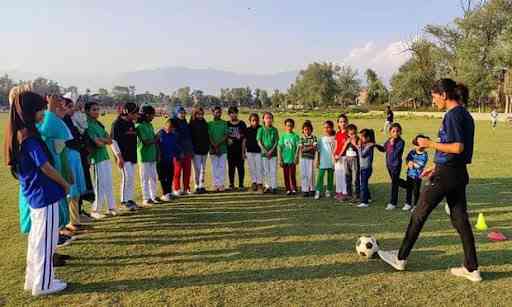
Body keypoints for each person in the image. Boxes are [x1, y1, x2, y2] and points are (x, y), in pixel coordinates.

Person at [378, 79, 481, 282]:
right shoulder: (465, 114)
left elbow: (457, 147)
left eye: (434, 97)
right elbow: (455, 149)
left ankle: (400, 258)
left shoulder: (453, 115)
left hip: (447, 175)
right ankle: (472, 268)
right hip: (457, 173)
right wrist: (436, 165)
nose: (434, 102)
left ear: (443, 95)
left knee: (418, 213)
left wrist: (429, 144)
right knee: (460, 219)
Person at [6, 92, 70, 296]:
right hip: (44, 194)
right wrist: (64, 183)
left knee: (37, 239)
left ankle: (34, 278)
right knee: (46, 240)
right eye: (40, 109)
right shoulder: (29, 138)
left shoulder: (18, 134)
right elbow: (45, 167)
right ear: (30, 111)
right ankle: (44, 284)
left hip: (35, 194)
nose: (43, 113)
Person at [85, 101, 117, 219]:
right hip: (96, 158)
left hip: (105, 157)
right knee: (99, 185)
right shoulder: (87, 125)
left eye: (97, 109)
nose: (97, 112)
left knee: (108, 183)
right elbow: (98, 144)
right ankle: (95, 210)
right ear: (87, 111)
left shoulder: (98, 124)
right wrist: (102, 141)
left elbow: (109, 140)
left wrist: (101, 140)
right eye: (94, 109)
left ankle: (111, 207)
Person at [62, 98, 88, 231]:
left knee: (76, 191)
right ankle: (69, 222)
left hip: (76, 155)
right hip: (69, 156)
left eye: (73, 106)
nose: (73, 109)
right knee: (71, 191)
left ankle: (75, 220)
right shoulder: (61, 122)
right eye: (69, 107)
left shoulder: (70, 120)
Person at [110, 102, 139, 211]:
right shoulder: (117, 124)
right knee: (127, 177)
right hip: (123, 156)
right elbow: (113, 142)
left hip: (131, 155)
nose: (137, 115)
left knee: (131, 178)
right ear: (128, 112)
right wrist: (119, 157)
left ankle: (130, 199)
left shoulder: (131, 123)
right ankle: (124, 201)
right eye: (135, 113)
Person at [376, 123, 406, 210]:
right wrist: (375, 145)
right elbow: (384, 149)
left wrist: (392, 145)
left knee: (394, 184)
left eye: (397, 131)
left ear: (400, 132)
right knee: (396, 181)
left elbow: (395, 153)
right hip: (388, 165)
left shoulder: (401, 142)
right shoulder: (389, 140)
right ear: (390, 132)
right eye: (393, 131)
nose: (396, 133)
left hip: (396, 165)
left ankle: (393, 203)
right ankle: (410, 186)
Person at [136, 105, 161, 206]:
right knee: (145, 178)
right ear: (146, 115)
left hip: (152, 154)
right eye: (152, 115)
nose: (153, 117)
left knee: (154, 177)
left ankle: (153, 196)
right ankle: (146, 198)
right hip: (144, 155)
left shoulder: (149, 125)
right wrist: (157, 137)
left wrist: (156, 137)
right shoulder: (139, 126)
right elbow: (146, 141)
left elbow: (152, 139)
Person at [402, 135, 429, 211]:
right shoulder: (412, 152)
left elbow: (420, 165)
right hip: (409, 174)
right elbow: (407, 159)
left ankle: (416, 205)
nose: (417, 147)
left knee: (416, 191)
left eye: (418, 145)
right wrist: (408, 163)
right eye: (416, 145)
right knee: (408, 189)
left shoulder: (424, 154)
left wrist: (412, 163)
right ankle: (408, 203)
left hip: (417, 176)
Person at [172, 106, 194, 195]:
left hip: (187, 151)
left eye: (183, 113)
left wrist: (191, 150)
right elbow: (173, 139)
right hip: (177, 151)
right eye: (180, 113)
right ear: (176, 113)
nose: (182, 114)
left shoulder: (185, 123)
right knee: (177, 172)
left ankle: (186, 188)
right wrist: (178, 151)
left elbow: (189, 138)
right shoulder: (173, 123)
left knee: (187, 171)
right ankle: (176, 189)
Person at [157, 119, 179, 201]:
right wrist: (158, 155)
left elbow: (175, 146)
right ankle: (165, 193)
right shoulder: (160, 133)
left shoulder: (173, 135)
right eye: (171, 128)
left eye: (173, 129)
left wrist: (178, 154)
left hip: (170, 159)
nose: (172, 130)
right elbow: (156, 145)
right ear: (167, 126)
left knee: (170, 176)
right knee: (163, 177)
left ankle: (169, 192)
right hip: (161, 160)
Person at [257, 112, 279, 194]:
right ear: (263, 119)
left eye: (270, 118)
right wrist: (265, 151)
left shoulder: (275, 130)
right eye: (267, 118)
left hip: (273, 154)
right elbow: (259, 141)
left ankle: (273, 187)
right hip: (264, 154)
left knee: (273, 170)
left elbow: (276, 142)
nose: (268, 120)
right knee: (266, 171)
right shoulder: (261, 129)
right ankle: (267, 186)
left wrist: (271, 151)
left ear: (272, 119)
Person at [189, 107, 210, 194]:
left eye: (202, 114)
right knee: (196, 169)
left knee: (203, 169)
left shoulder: (205, 123)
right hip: (196, 150)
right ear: (195, 114)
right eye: (198, 114)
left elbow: (207, 136)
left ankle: (202, 185)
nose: (200, 116)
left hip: (204, 149)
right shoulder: (191, 124)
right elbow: (190, 138)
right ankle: (197, 186)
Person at [208, 106, 229, 192]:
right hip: (212, 149)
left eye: (219, 112)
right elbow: (209, 136)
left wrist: (218, 145)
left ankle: (221, 185)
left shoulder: (224, 123)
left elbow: (226, 135)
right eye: (216, 112)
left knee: (222, 167)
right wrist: (214, 145)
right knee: (214, 167)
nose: (218, 114)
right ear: (213, 113)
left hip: (223, 148)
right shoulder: (209, 124)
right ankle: (215, 185)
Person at [227, 107, 247, 191]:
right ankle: (231, 184)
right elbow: (224, 135)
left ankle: (241, 184)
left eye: (235, 113)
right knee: (231, 168)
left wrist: (243, 152)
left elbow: (244, 138)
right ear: (229, 114)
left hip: (239, 150)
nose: (233, 114)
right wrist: (227, 139)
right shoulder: (226, 124)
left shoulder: (242, 124)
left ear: (237, 113)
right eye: (231, 113)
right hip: (230, 151)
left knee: (240, 168)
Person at [278, 118, 300, 195]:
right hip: (285, 160)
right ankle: (288, 188)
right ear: (285, 126)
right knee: (286, 175)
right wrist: (280, 159)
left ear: (293, 126)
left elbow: (298, 147)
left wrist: (296, 156)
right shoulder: (283, 136)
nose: (289, 127)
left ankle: (293, 188)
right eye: (287, 126)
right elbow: (280, 148)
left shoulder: (295, 136)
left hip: (292, 159)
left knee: (292, 174)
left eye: (291, 125)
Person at [315, 120, 336, 199]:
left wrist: (335, 160)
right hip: (323, 160)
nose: (326, 129)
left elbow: (335, 149)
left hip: (331, 160)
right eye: (325, 127)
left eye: (328, 127)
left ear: (332, 128)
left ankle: (328, 190)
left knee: (330, 176)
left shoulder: (334, 138)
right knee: (320, 176)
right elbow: (319, 150)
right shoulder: (321, 139)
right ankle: (318, 191)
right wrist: (318, 160)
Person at [341, 124, 360, 202]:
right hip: (347, 159)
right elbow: (343, 149)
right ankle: (349, 194)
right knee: (347, 177)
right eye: (351, 134)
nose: (353, 135)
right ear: (348, 134)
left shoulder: (358, 139)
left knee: (356, 178)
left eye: (355, 133)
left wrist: (354, 143)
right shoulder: (347, 140)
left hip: (355, 159)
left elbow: (360, 149)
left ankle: (357, 195)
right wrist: (346, 143)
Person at [357, 129, 375, 208]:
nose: (360, 139)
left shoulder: (369, 145)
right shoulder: (366, 145)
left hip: (366, 168)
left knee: (363, 184)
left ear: (367, 138)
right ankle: (368, 197)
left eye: (362, 137)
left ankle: (364, 201)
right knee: (364, 183)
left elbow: (362, 155)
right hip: (363, 167)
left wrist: (358, 147)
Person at [299, 120, 317, 197]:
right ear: (303, 130)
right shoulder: (302, 138)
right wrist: (311, 147)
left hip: (311, 158)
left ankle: (312, 189)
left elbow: (315, 147)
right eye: (305, 129)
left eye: (308, 129)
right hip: (303, 159)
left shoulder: (314, 137)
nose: (307, 131)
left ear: (311, 130)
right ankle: (305, 190)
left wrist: (306, 147)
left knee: (311, 174)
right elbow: (302, 149)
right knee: (304, 174)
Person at [245, 113, 263, 191]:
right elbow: (244, 141)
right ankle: (254, 183)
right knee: (252, 168)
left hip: (259, 152)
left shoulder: (261, 129)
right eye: (253, 120)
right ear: (250, 121)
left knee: (259, 168)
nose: (255, 122)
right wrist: (243, 151)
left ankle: (259, 183)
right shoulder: (247, 130)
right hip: (249, 151)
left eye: (256, 120)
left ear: (258, 121)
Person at [333, 114, 349, 201]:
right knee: (338, 175)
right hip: (337, 157)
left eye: (344, 121)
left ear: (347, 122)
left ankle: (344, 193)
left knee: (343, 175)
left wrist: (339, 155)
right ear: (338, 123)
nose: (342, 123)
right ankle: (338, 192)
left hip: (344, 157)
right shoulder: (338, 133)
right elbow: (336, 145)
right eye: (340, 122)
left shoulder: (347, 133)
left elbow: (345, 146)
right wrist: (334, 155)